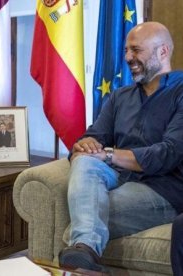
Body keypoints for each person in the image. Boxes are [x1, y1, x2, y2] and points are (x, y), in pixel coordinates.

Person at [58, 21, 183, 272]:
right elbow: (93, 136)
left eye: (136, 50)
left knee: (80, 224)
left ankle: (84, 249)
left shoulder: (180, 91)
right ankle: (86, 249)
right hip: (120, 177)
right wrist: (84, 145)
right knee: (84, 160)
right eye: (126, 50)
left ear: (163, 51)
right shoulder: (120, 96)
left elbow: (169, 153)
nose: (128, 57)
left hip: (163, 187)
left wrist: (111, 154)